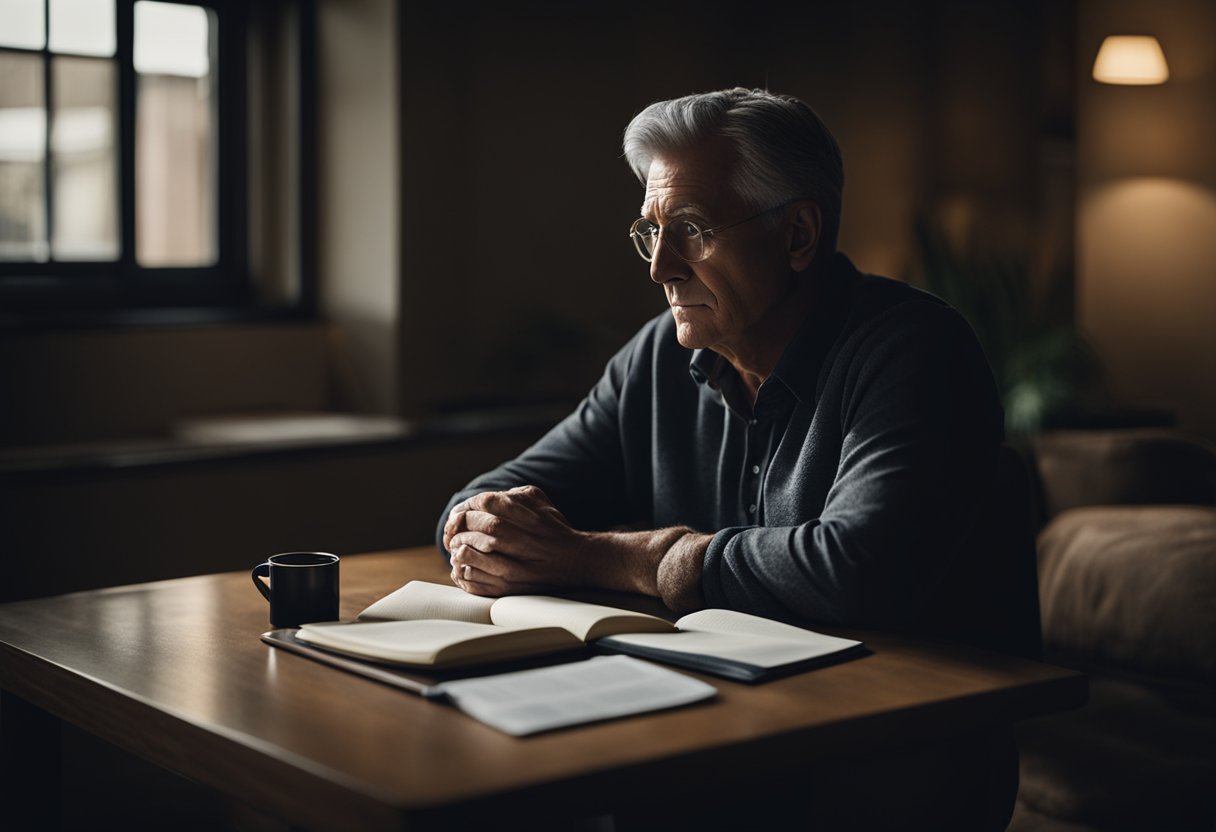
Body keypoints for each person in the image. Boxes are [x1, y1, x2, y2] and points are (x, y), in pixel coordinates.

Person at [437, 88, 1020, 830]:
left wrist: (628, 558)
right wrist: (486, 530)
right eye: (652, 232)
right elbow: (488, 496)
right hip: (711, 727)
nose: (662, 269)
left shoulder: (915, 351)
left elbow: (860, 569)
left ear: (799, 234)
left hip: (890, 754)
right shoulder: (657, 356)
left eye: (693, 229)